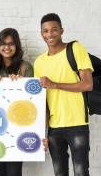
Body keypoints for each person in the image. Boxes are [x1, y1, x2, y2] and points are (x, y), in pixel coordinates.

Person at [34, 13, 93, 176]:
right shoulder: (39, 62)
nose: (50, 34)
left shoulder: (75, 48)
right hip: (54, 127)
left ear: (61, 31)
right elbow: (43, 102)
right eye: (45, 31)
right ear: (41, 34)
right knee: (59, 173)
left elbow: (87, 84)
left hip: (77, 124)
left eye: (54, 29)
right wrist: (42, 133)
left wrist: (55, 85)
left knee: (81, 172)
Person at [0, 28, 33, 176]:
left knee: (14, 171)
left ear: (17, 46)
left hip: (17, 127)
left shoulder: (26, 67)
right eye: (3, 43)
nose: (7, 47)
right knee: (1, 170)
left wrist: (20, 84)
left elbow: (31, 100)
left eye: (11, 44)